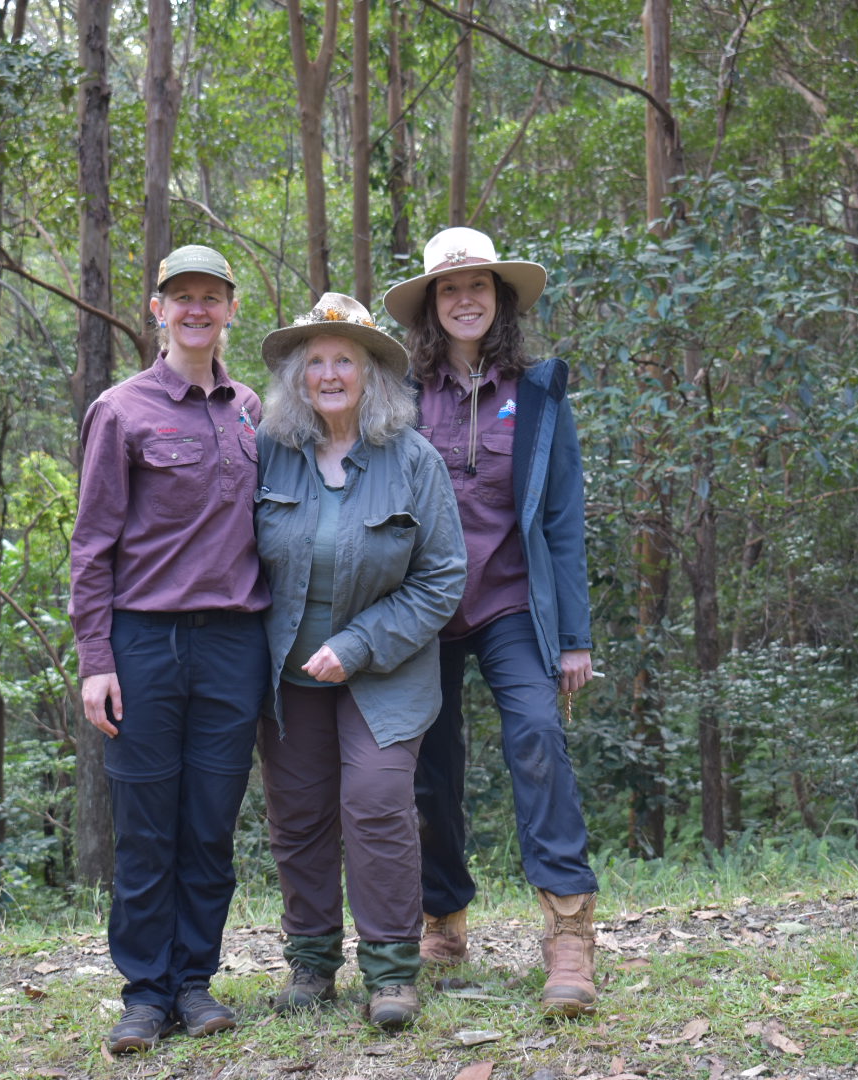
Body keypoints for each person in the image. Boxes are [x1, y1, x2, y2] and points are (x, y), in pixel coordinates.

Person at [382, 226, 602, 1016]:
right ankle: (442, 918)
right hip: (424, 608)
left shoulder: (538, 393)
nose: (465, 299)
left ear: (500, 299)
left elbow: (563, 519)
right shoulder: (398, 395)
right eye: (449, 288)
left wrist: (574, 637)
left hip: (512, 603)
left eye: (478, 285)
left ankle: (569, 933)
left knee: (538, 737)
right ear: (431, 306)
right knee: (428, 768)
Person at [68, 244, 269, 1054]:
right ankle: (146, 996)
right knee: (148, 829)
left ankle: (195, 984)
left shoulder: (251, 409)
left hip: (235, 645)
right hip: (144, 643)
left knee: (210, 826)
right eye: (181, 296)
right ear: (157, 310)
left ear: (230, 309)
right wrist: (96, 659)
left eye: (210, 297)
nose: (196, 310)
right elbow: (91, 545)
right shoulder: (120, 410)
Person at [253, 292, 466, 1031]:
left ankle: (391, 971)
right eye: (316, 362)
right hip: (289, 673)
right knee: (298, 814)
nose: (330, 374)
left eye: (345, 359)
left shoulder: (414, 460)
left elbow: (442, 577)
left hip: (387, 669)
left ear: (372, 374)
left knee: (377, 804)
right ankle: (311, 963)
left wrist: (358, 644)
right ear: (297, 379)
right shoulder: (269, 453)